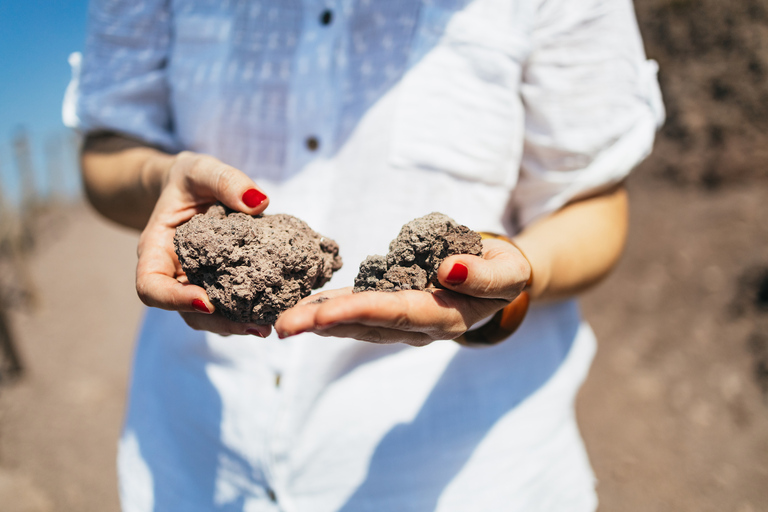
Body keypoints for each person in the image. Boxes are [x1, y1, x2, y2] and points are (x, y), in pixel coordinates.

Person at [65, 0, 664, 510]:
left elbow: (594, 199)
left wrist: (514, 271)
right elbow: (106, 147)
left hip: (471, 474)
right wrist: (160, 176)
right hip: (193, 456)